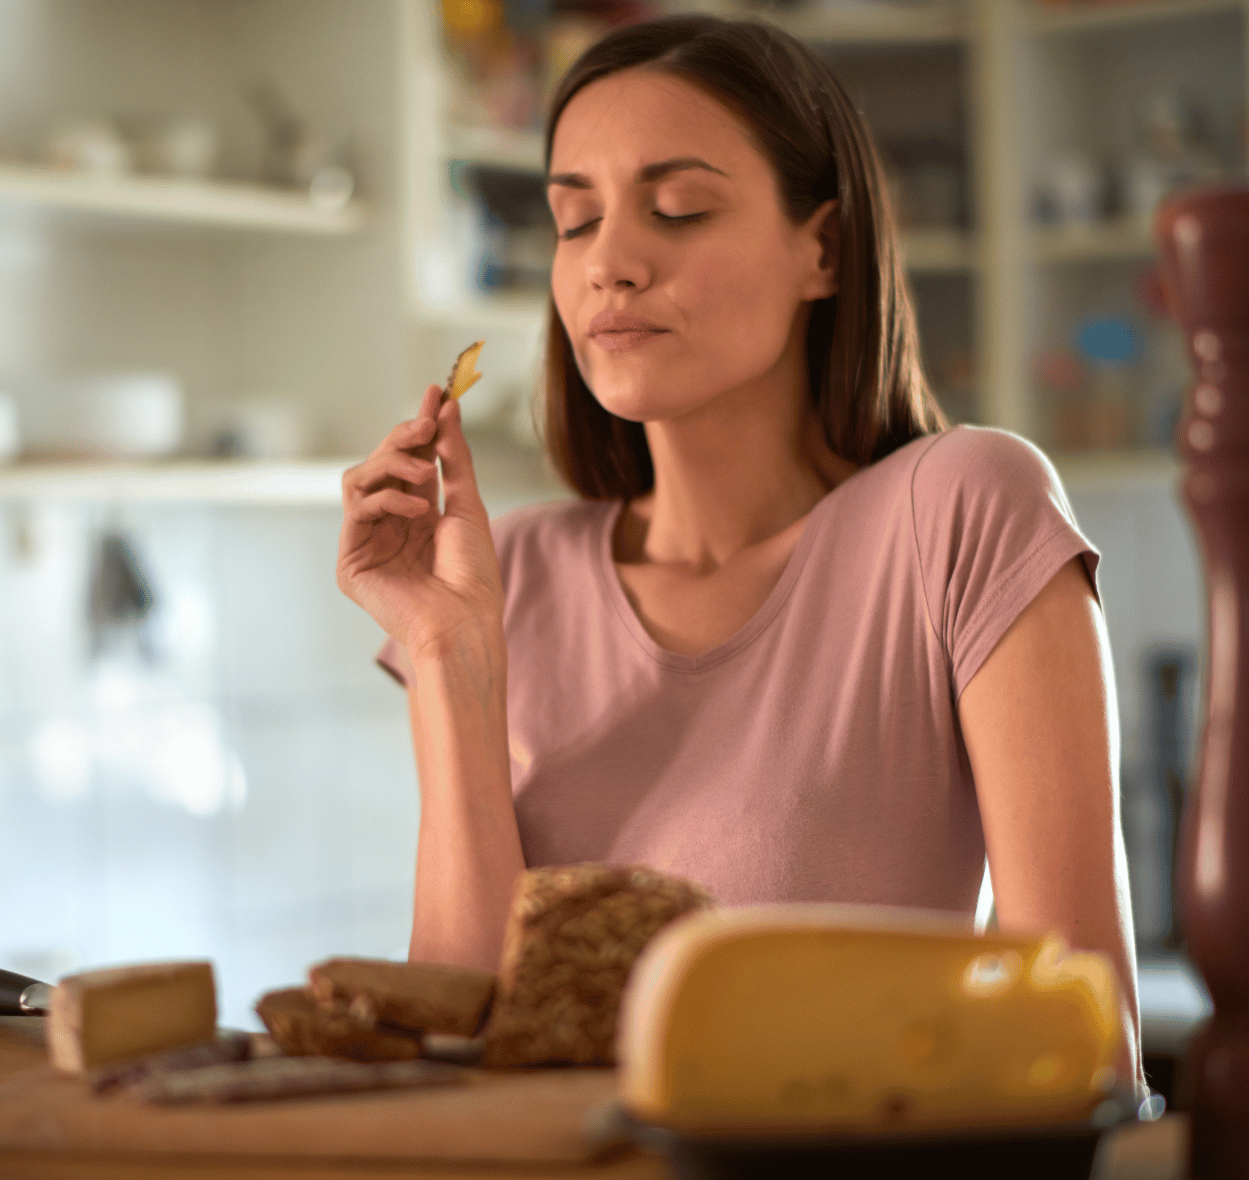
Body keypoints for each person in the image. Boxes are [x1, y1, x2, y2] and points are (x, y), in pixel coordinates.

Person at [338, 15, 1141, 1089]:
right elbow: (457, 1053)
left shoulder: (961, 511)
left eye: (678, 209)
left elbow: (1084, 1053)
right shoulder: (508, 577)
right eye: (575, 220)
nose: (609, 265)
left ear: (824, 250)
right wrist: (447, 652)